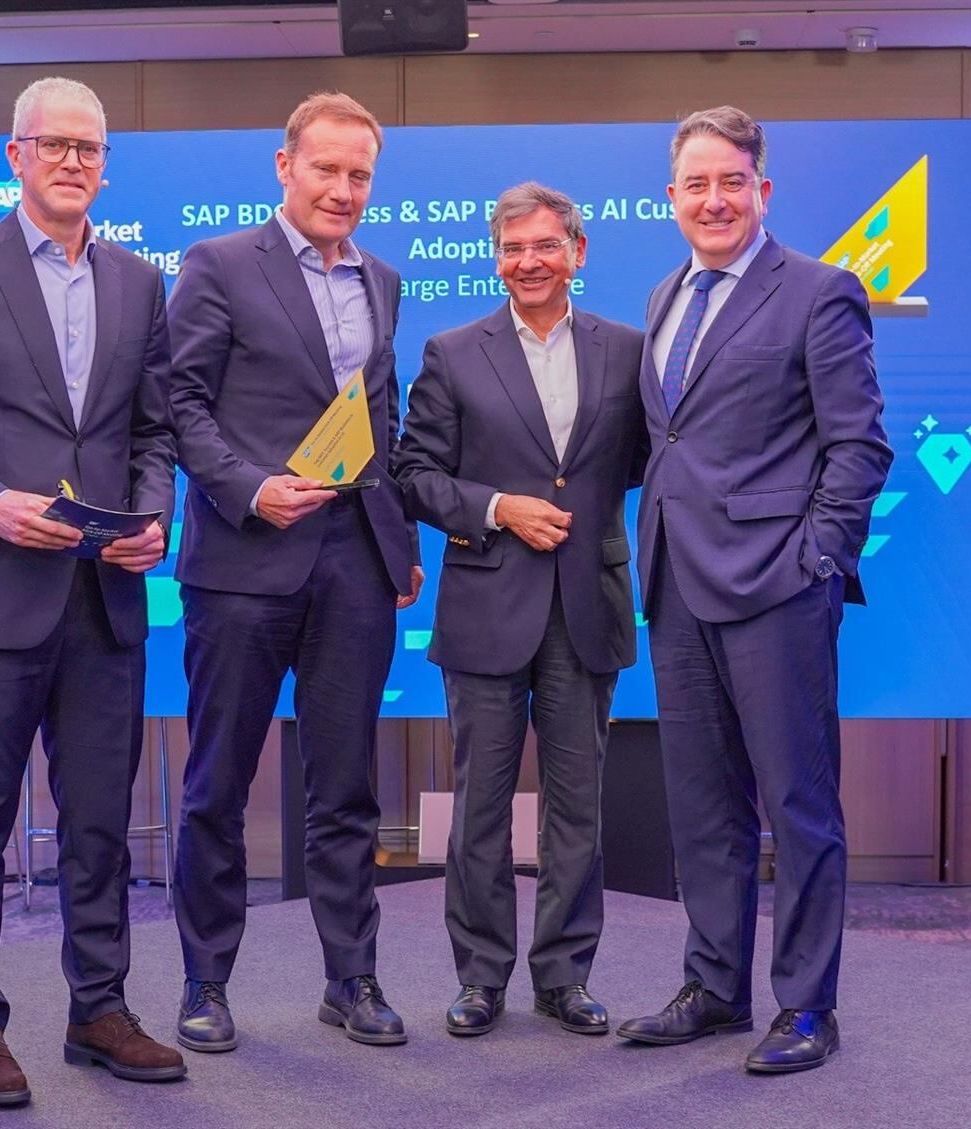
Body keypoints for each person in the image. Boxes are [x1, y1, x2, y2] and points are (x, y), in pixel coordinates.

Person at [0, 76, 183, 1107]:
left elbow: (151, 432)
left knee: (99, 824)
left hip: (103, 601)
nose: (71, 162)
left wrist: (152, 517)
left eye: (88, 149)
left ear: (105, 167)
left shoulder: (140, 282)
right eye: (53, 144)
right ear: (16, 156)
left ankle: (100, 1008)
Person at [617, 106, 891, 1074]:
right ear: (671, 198)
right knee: (703, 806)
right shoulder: (665, 295)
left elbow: (859, 444)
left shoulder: (820, 291)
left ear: (762, 190)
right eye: (696, 184)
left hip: (779, 588)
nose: (714, 200)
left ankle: (808, 1005)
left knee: (799, 803)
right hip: (677, 586)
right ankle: (715, 987)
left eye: (731, 181)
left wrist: (816, 559)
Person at [166, 91, 422, 1055]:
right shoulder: (220, 264)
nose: (343, 189)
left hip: (355, 563)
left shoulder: (382, 279)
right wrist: (249, 488)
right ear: (286, 167)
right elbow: (180, 404)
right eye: (326, 169)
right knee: (217, 784)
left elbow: (380, 419)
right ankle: (205, 981)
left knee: (346, 787)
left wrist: (399, 543)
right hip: (241, 561)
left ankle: (352, 979)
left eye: (361, 175)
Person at [392, 182, 647, 1039]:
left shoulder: (629, 350)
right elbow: (414, 475)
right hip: (487, 605)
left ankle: (565, 977)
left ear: (578, 251)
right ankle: (480, 977)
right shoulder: (453, 352)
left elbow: (644, 462)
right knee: (481, 805)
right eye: (512, 248)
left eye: (545, 245)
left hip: (588, 605)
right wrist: (498, 507)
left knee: (579, 805)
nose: (528, 262)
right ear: (495, 257)